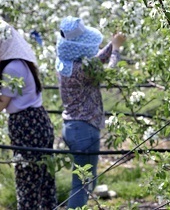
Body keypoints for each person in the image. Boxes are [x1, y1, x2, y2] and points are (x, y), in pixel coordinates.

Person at [0, 20, 57, 210]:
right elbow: (1, 95)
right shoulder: (19, 63)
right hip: (36, 122)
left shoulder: (12, 68)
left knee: (28, 181)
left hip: (27, 125)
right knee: (43, 181)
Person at [56, 16, 126, 209]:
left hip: (71, 127)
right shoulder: (84, 68)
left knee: (85, 181)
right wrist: (117, 49)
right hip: (85, 129)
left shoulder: (65, 62)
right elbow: (108, 72)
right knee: (83, 184)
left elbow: (95, 60)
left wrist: (112, 44)